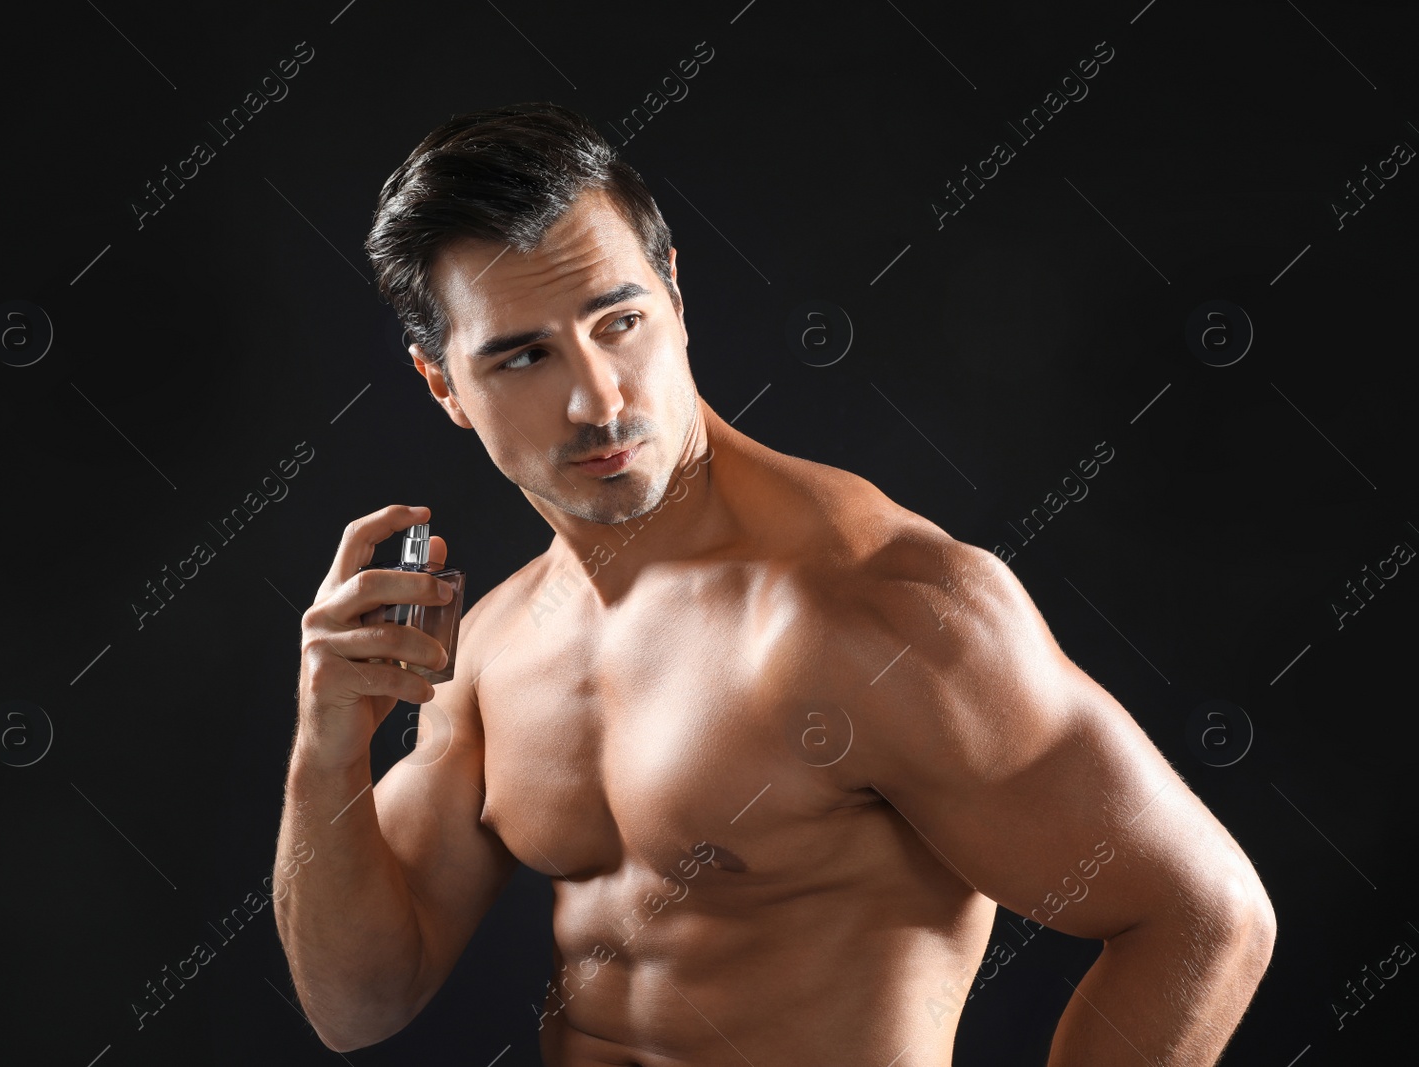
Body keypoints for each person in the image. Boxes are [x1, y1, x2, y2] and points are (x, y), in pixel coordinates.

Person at [273, 102, 1275, 1066]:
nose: (597, 396)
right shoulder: (496, 645)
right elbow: (358, 1001)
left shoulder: (878, 604)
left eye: (617, 320)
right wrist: (327, 741)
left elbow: (1205, 913)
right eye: (523, 355)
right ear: (442, 383)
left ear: (673, 289)